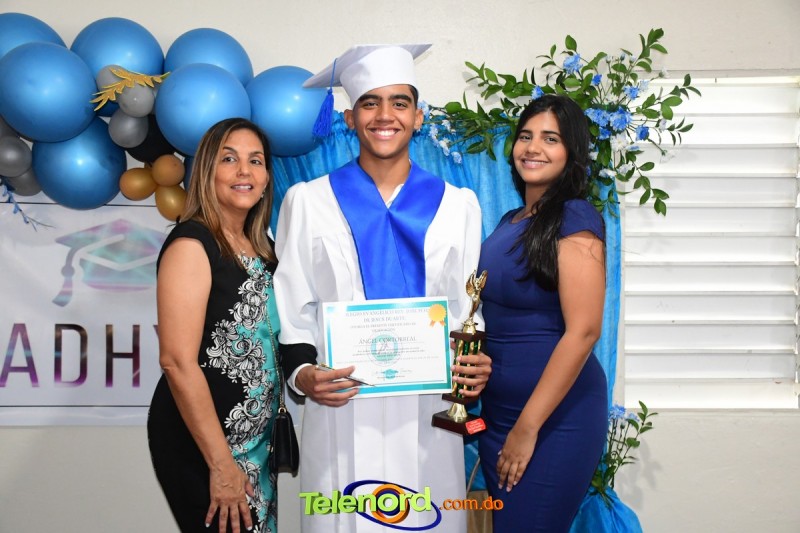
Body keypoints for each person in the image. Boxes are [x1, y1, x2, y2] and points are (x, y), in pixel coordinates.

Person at [274, 44, 491, 533]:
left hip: (429, 408)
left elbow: (468, 308)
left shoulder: (458, 206)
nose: (385, 115)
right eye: (370, 103)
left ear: (418, 117)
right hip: (341, 405)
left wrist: (474, 362)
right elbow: (291, 307)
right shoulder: (308, 203)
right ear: (350, 118)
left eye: (399, 103)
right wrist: (304, 375)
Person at [477, 94, 608, 532]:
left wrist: (527, 427)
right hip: (499, 414)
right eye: (526, 136)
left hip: (554, 419)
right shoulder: (510, 221)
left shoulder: (575, 216)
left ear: (572, 152)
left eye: (550, 139)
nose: (533, 148)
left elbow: (584, 331)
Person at [148, 118, 280, 533]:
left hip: (254, 440)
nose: (244, 171)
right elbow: (176, 362)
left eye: (255, 161)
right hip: (205, 446)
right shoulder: (192, 243)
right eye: (229, 159)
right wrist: (221, 465)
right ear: (207, 171)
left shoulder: (264, 248)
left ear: (266, 178)